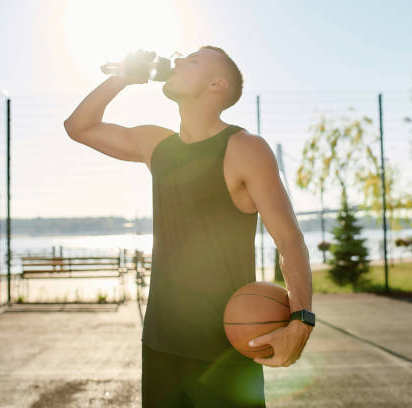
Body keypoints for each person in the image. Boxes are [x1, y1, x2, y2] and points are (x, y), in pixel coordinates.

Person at [64, 45, 314, 407]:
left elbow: (289, 240)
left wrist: (301, 320)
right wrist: (123, 77)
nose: (178, 60)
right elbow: (78, 127)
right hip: (160, 346)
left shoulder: (244, 148)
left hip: (224, 352)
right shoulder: (157, 145)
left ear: (217, 84)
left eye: (192, 60)